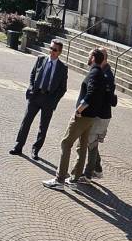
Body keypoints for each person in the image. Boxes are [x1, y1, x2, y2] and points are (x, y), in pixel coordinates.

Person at [44, 48, 107, 190]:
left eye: (89, 55)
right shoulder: (101, 74)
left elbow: (90, 95)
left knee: (66, 143)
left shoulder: (94, 73)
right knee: (82, 146)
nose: (87, 57)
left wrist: (79, 110)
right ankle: (74, 179)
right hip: (90, 117)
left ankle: (60, 179)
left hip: (83, 116)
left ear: (92, 58)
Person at [11, 40, 68, 160]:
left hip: (48, 99)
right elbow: (33, 75)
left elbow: (63, 88)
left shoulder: (63, 68)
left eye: (55, 50)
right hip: (35, 96)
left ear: (60, 52)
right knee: (26, 122)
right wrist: (31, 89)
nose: (52, 52)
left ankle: (35, 150)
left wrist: (54, 100)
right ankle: (18, 146)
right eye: (51, 48)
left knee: (43, 127)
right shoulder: (40, 59)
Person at [83, 51, 117, 179]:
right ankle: (97, 169)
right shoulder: (102, 71)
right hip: (99, 113)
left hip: (101, 114)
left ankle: (88, 174)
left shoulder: (106, 75)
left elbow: (102, 95)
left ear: (103, 58)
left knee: (91, 142)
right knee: (91, 142)